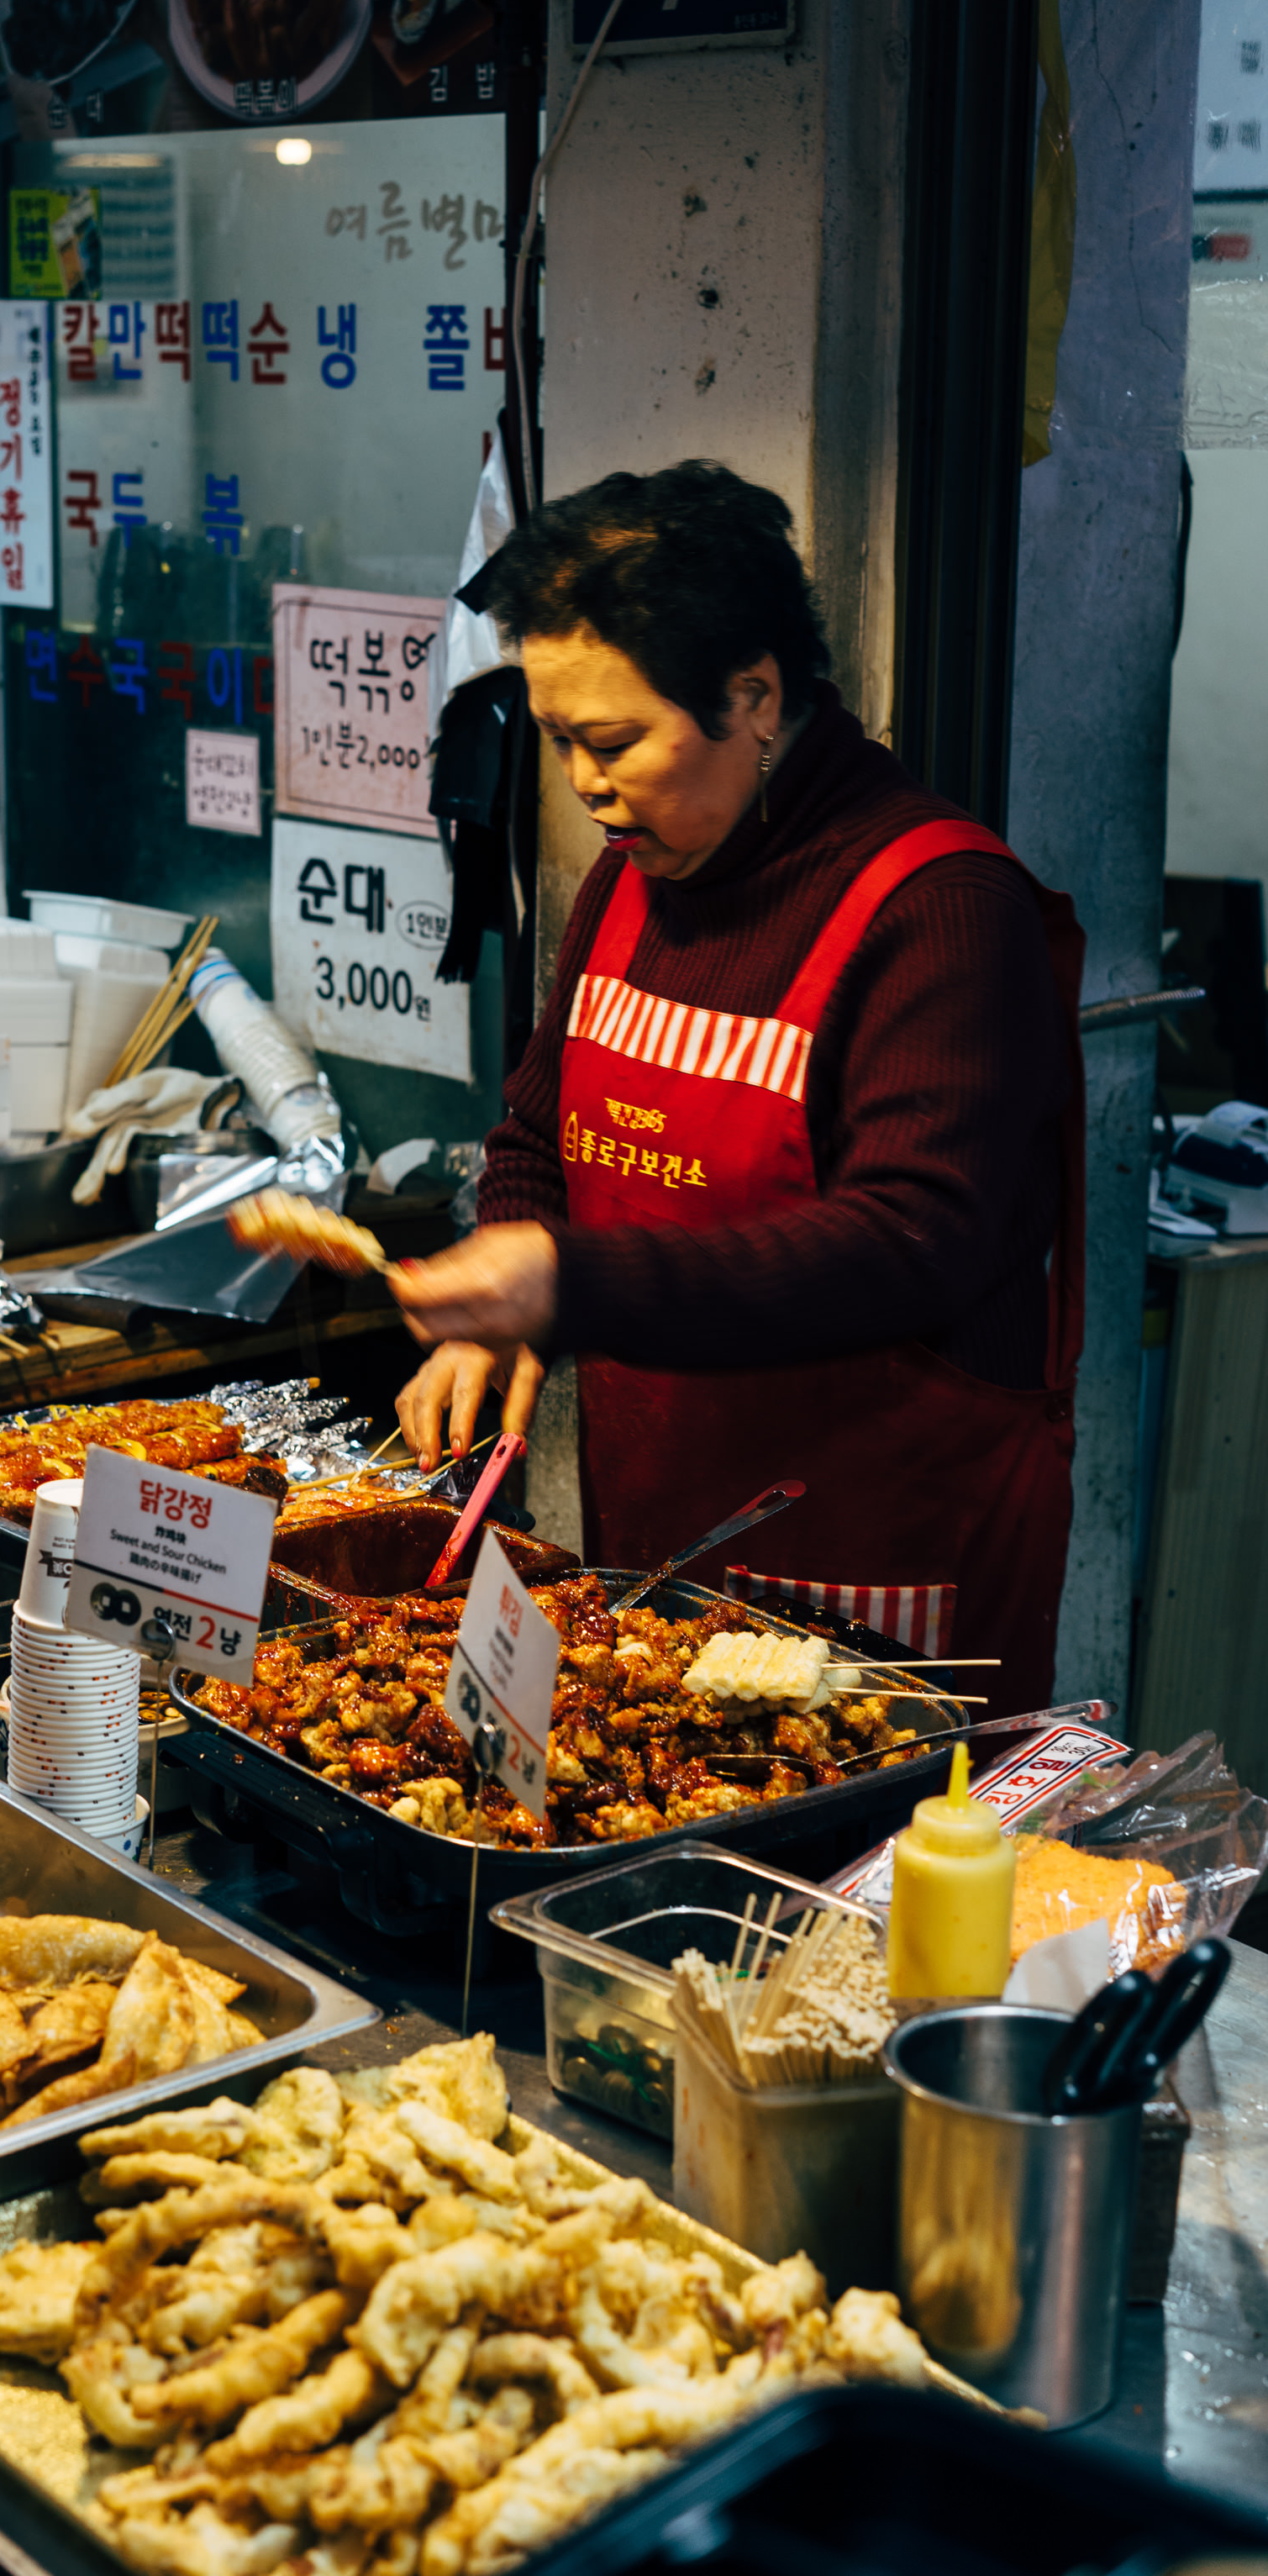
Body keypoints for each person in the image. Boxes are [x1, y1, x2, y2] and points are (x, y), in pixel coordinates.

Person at [393, 461, 1083, 1716]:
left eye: (613, 742)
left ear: (755, 697)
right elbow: (536, 1132)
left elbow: (913, 1242)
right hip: (665, 1534)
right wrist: (506, 1264)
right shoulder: (634, 877)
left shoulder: (938, 909)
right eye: (558, 743)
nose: (586, 786)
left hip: (882, 1576)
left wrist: (570, 1281)